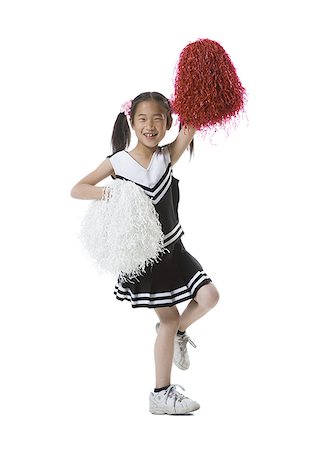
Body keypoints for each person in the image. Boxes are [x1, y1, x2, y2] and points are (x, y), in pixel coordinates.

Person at [71, 92, 219, 415]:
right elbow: (77, 188)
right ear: (131, 122)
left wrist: (200, 86)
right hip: (146, 259)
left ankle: (180, 331)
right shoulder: (118, 163)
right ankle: (161, 393)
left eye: (157, 119)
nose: (150, 126)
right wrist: (110, 194)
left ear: (167, 123)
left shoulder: (166, 157)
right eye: (143, 119)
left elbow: (190, 127)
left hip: (175, 250)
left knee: (209, 296)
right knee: (166, 319)